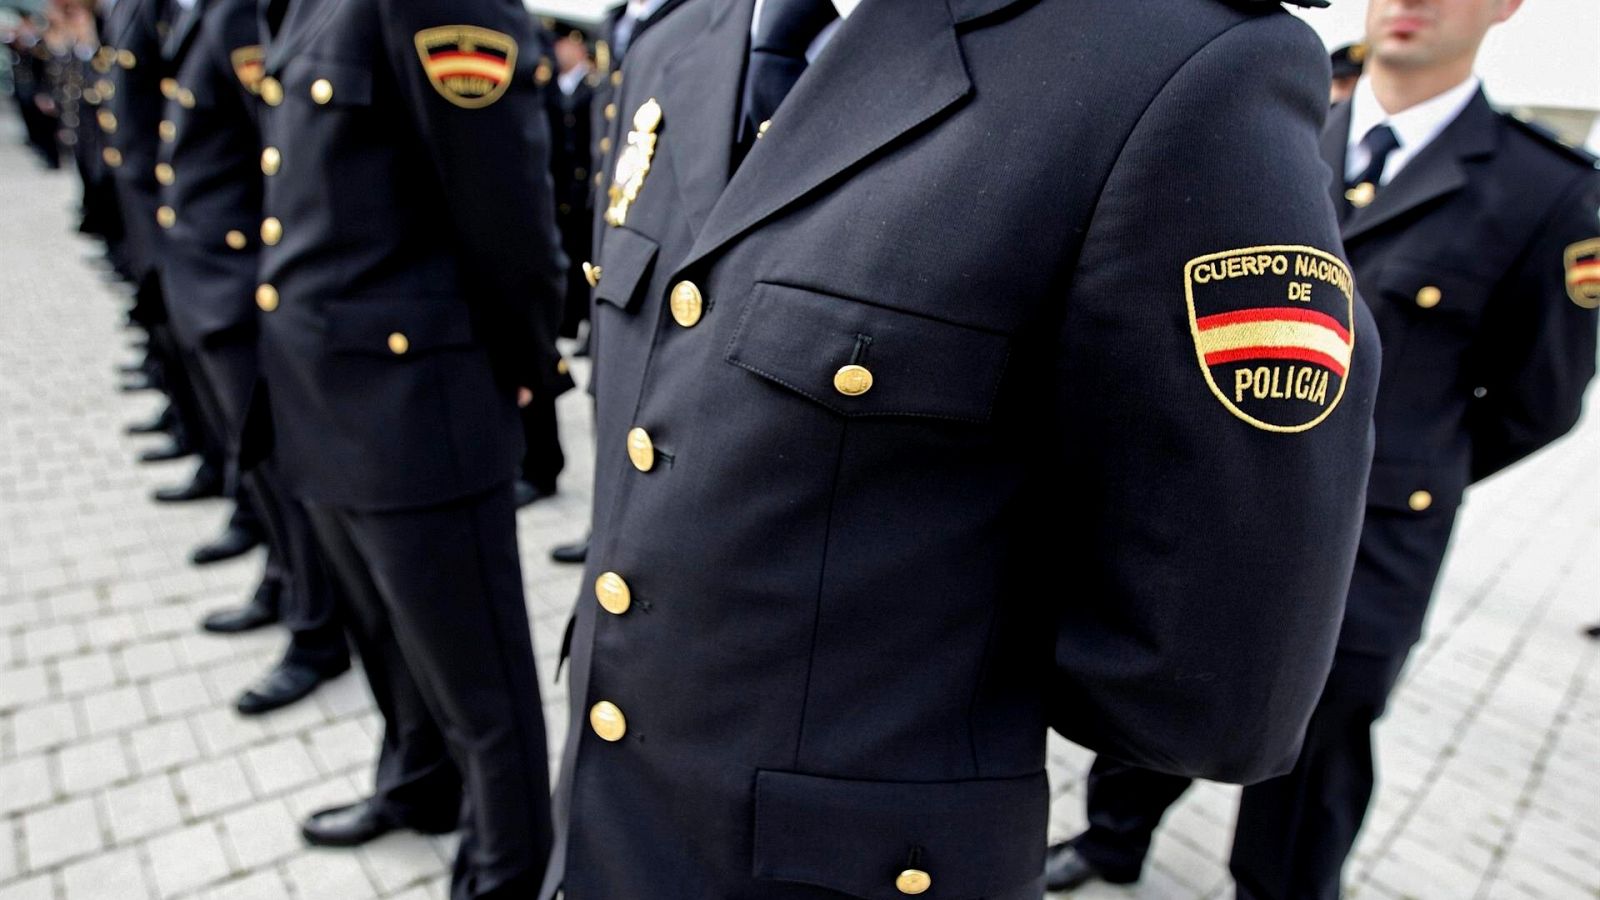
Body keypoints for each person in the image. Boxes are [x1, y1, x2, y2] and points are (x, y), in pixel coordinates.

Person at [541, 0, 1381, 898]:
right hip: (605, 809)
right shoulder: (687, 30)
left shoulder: (1173, 57)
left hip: (842, 863)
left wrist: (961, 681)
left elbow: (1222, 665)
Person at [1045, 0, 1600, 897]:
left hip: (1375, 535)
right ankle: (1112, 843)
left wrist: (1407, 472)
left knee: (1322, 736)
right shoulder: (1256, 129)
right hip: (1210, 504)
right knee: (1165, 677)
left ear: (1506, 8)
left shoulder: (1549, 192)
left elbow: (1537, 401)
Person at [243, 0, 567, 895]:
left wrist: (527, 362)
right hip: (322, 389)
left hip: (415, 404)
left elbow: (503, 201)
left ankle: (508, 873)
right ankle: (418, 785)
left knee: (481, 690)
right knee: (390, 641)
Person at [154, 0, 350, 714]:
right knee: (258, 470)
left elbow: (279, 145)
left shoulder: (239, 12)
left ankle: (316, 629)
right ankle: (283, 582)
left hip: (239, 278)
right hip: (209, 273)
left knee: (274, 466)